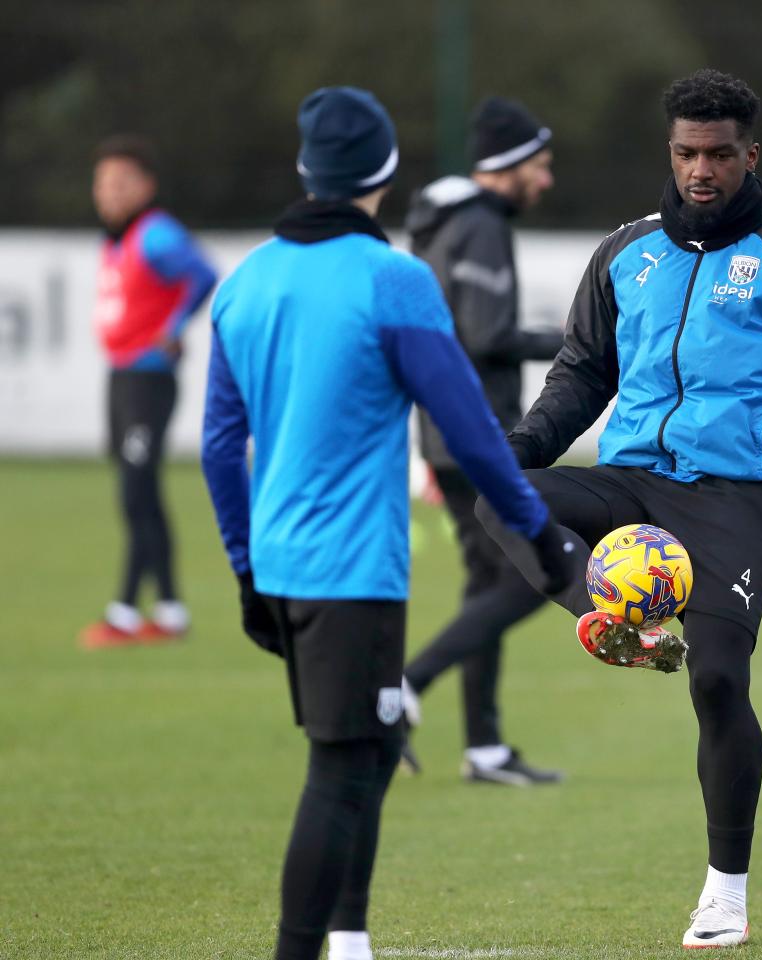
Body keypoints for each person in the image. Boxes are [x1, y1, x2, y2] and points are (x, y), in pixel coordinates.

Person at [474, 69, 762, 947]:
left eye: (720, 155)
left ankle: (725, 892)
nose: (702, 170)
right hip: (629, 484)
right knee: (499, 492)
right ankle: (606, 614)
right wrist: (524, 447)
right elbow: (583, 373)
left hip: (729, 498)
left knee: (719, 680)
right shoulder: (627, 251)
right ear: (671, 150)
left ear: (750, 154)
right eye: (687, 153)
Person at [200, 86, 575, 960]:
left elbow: (223, 447)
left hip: (283, 562)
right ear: (387, 170)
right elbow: (475, 431)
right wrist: (541, 536)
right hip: (353, 568)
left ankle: (351, 942)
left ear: (306, 168)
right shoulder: (392, 281)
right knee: (340, 768)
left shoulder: (245, 281)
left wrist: (244, 566)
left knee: (368, 753)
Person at [401, 96, 564, 785]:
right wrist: (579, 344)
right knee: (541, 574)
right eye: (543, 165)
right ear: (514, 164)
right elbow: (486, 336)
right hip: (476, 432)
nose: (548, 180)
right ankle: (406, 688)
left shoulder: (446, 224)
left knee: (486, 584)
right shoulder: (481, 226)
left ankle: (485, 750)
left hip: (444, 430)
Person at [78, 135, 217, 649]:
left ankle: (125, 611)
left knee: (136, 492)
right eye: (102, 183)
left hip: (148, 379)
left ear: (145, 187)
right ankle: (169, 610)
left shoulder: (155, 234)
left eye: (120, 183)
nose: (108, 193)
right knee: (142, 496)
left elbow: (203, 275)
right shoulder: (114, 240)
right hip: (121, 376)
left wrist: (175, 325)